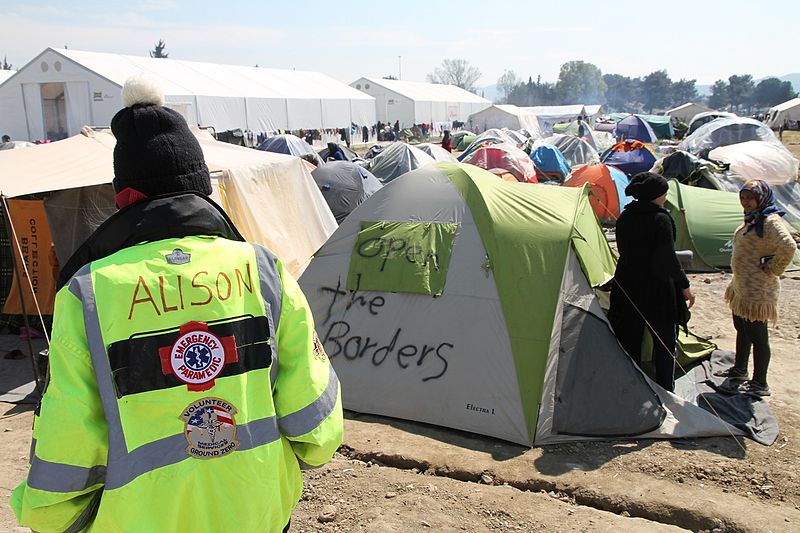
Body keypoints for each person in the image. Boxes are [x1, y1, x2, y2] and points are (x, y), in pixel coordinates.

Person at [10, 74, 343, 533]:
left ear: (123, 197)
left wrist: (51, 515)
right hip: (255, 510)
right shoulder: (261, 271)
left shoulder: (88, 292)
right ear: (202, 186)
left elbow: (67, 436)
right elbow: (314, 422)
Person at [609, 172, 695, 392]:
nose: (665, 197)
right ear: (657, 195)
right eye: (664, 193)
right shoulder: (660, 218)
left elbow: (623, 251)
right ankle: (666, 388)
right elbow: (667, 258)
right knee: (664, 342)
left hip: (627, 284)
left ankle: (631, 386)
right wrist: (684, 286)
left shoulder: (626, 217)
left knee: (630, 340)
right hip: (658, 289)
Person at [715, 179, 796, 397]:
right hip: (742, 286)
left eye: (750, 198)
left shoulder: (770, 221)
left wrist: (773, 267)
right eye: (743, 197)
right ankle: (740, 369)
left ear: (761, 198)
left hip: (758, 290)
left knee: (758, 336)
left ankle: (760, 382)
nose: (746, 202)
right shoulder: (754, 218)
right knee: (742, 328)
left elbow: (788, 246)